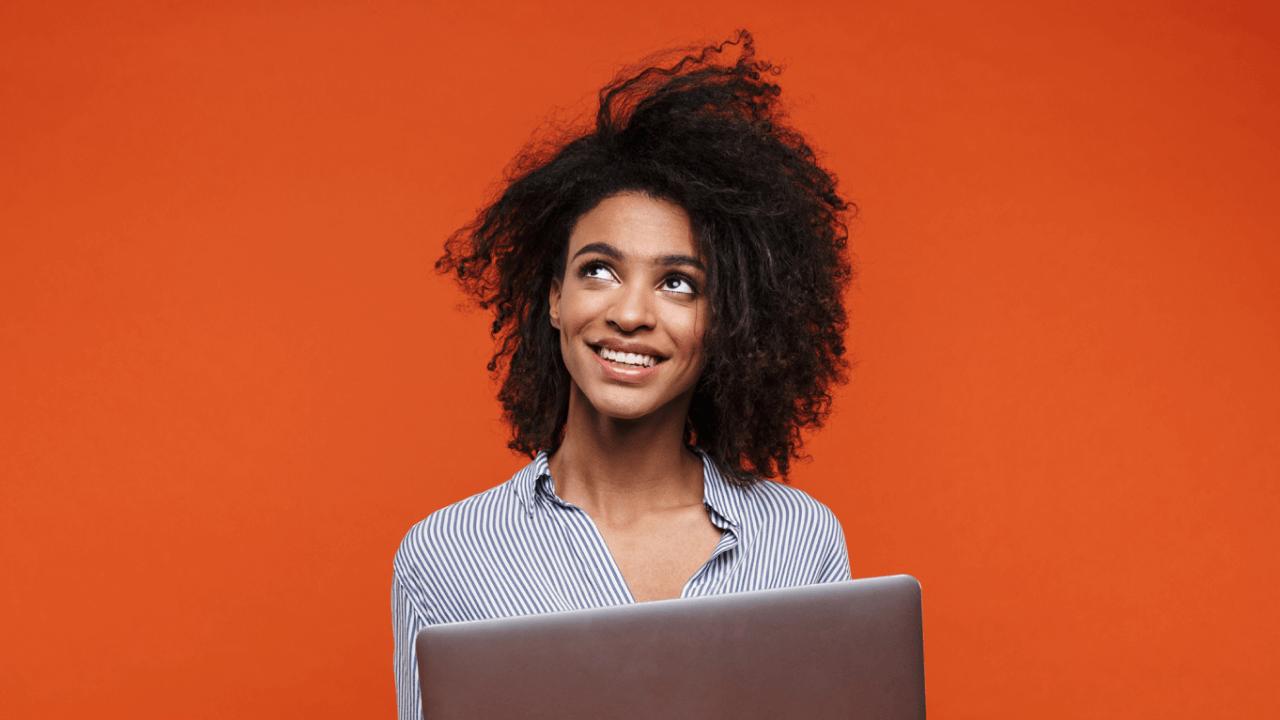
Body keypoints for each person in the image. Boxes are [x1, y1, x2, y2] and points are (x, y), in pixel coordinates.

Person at [392, 29, 855, 719]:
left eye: (678, 283)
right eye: (599, 271)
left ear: (727, 318)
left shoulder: (800, 543)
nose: (630, 313)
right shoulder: (447, 556)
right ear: (554, 296)